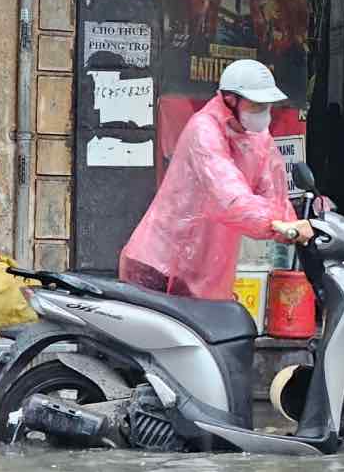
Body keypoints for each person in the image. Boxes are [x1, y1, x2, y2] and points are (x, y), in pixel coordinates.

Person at [119, 59, 314, 301]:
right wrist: (280, 225)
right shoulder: (204, 130)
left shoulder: (259, 138)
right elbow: (230, 199)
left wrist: (293, 225)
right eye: (256, 105)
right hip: (159, 265)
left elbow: (274, 195)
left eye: (266, 105)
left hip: (204, 271)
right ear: (230, 100)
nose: (264, 112)